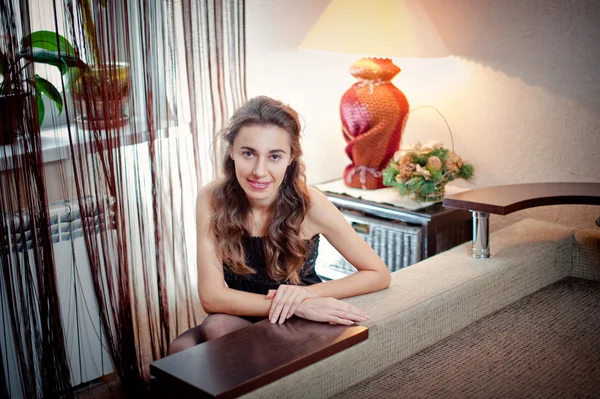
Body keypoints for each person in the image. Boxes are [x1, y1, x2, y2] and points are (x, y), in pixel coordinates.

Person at [168, 96, 391, 355]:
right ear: (232, 152)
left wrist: (305, 298)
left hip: (305, 317)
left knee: (217, 326)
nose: (259, 171)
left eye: (274, 156)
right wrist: (294, 304)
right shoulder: (211, 198)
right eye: (248, 153)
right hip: (246, 311)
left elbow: (378, 273)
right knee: (181, 347)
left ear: (290, 158)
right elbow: (211, 297)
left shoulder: (311, 205)